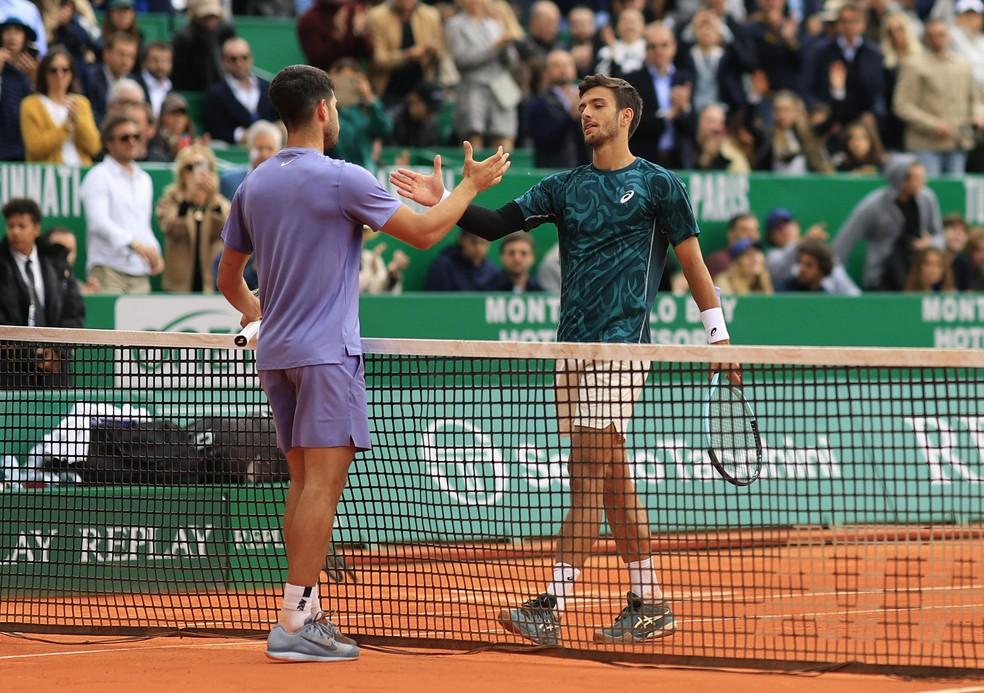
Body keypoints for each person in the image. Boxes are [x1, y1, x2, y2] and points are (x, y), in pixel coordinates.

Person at [391, 73, 736, 646]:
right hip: (569, 349)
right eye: (582, 106)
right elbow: (499, 226)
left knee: (584, 475)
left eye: (598, 105)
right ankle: (649, 600)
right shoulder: (564, 187)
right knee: (611, 479)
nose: (586, 114)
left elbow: (694, 265)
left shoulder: (658, 185)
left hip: (621, 347)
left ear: (627, 116)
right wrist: (449, 201)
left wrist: (718, 339)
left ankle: (552, 602)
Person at [215, 64, 510, 662]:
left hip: (277, 357)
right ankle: (295, 620)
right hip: (327, 357)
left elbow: (228, 278)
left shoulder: (254, 184)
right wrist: (470, 186)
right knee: (322, 485)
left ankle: (304, 608)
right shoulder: (345, 178)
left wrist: (258, 314)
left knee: (302, 483)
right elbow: (426, 232)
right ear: (324, 110)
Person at [79, 113, 163, 293]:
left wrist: (155, 251)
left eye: (136, 136)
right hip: (108, 269)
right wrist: (134, 244)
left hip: (139, 271)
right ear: (109, 143)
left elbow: (143, 225)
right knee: (105, 322)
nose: (131, 141)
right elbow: (98, 222)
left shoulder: (144, 179)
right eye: (124, 138)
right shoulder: (98, 176)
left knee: (141, 322)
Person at [832, 155, 942, 291]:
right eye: (916, 178)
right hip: (882, 276)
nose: (923, 182)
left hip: (917, 275)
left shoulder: (928, 199)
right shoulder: (873, 205)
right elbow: (844, 242)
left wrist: (930, 243)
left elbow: (939, 236)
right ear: (901, 180)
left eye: (922, 177)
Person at [893, 18, 981, 176]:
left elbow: (975, 99)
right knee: (930, 191)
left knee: (954, 195)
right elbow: (902, 105)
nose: (936, 39)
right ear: (925, 38)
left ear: (949, 37)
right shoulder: (914, 65)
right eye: (931, 35)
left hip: (957, 141)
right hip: (925, 144)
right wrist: (933, 125)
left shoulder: (962, 65)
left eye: (941, 34)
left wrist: (978, 116)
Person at [445, 0, 519, 151]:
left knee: (503, 134)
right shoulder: (455, 25)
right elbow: (462, 60)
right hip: (473, 86)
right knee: (473, 135)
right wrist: (495, 47)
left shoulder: (494, 25)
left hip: (500, 85)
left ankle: (504, 173)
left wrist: (506, 47)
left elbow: (512, 62)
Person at [156, 145, 230, 293]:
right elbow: (170, 228)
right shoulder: (170, 199)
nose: (196, 173)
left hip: (212, 285)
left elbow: (226, 232)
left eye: (201, 166)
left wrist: (211, 200)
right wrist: (187, 201)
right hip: (179, 286)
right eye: (190, 167)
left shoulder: (219, 203)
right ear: (182, 173)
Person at [0, 197, 84, 327]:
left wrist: (57, 346)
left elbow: (74, 312)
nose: (15, 232)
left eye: (22, 226)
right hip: (11, 345)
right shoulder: (3, 263)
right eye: (11, 226)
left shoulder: (57, 262)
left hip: (53, 345)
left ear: (36, 229)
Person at [622, 22, 696, 169]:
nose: (658, 51)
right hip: (644, 159)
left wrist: (684, 108)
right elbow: (629, 125)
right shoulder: (632, 81)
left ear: (674, 47)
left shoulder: (685, 78)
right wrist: (668, 115)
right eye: (652, 46)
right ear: (645, 50)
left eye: (664, 45)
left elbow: (694, 126)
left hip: (679, 159)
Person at [20, 47, 101, 165]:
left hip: (80, 174)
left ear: (72, 74)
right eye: (53, 70)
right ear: (44, 73)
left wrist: (77, 121)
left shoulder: (82, 103)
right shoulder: (30, 105)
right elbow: (34, 149)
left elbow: (94, 147)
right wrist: (65, 128)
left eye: (65, 70)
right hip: (48, 177)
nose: (59, 75)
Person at [366, 0, 445, 109]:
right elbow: (377, 59)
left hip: (423, 91)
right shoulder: (377, 16)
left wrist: (434, 51)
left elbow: (442, 54)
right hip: (388, 90)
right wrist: (408, 55)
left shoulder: (430, 14)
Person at [763, 207, 860, 294]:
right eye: (778, 227)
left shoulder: (825, 289)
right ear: (770, 235)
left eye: (788, 223)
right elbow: (780, 268)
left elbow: (850, 290)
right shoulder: (772, 255)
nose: (785, 229)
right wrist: (805, 241)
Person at [204, 37, 278, 145]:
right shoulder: (215, 93)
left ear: (251, 58)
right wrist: (242, 135)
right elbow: (217, 128)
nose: (239, 63)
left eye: (244, 57)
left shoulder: (268, 87)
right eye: (233, 59)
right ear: (223, 62)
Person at [525, 49, 589, 169]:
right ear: (546, 72)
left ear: (574, 69)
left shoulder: (587, 96)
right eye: (556, 66)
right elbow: (542, 139)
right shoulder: (538, 103)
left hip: (586, 168)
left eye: (567, 64)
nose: (563, 69)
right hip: (554, 169)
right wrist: (570, 117)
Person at [326, 58, 391, 171]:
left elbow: (385, 128)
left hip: (364, 172)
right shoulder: (325, 110)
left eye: (352, 80)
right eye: (341, 80)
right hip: (332, 173)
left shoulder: (368, 111)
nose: (346, 86)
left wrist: (370, 98)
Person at [170, 0, 237, 92]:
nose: (211, 20)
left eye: (214, 16)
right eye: (206, 17)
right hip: (193, 88)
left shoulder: (226, 32)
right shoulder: (185, 37)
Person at [297, 0, 373, 73]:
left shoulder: (353, 11)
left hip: (353, 74)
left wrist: (359, 32)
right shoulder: (308, 19)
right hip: (323, 78)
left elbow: (368, 54)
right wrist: (338, 35)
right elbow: (318, 61)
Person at [80, 31, 139, 123]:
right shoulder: (89, 77)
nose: (126, 61)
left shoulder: (134, 82)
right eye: (121, 54)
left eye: (131, 56)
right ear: (106, 54)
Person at [220, 119, 283, 200]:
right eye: (259, 148)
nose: (264, 154)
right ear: (249, 148)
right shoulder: (229, 182)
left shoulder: (286, 183)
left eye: (270, 149)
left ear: (279, 151)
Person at [424, 229, 499, 290]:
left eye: (483, 242)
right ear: (461, 239)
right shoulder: (443, 266)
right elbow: (436, 302)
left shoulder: (492, 270)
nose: (478, 248)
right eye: (473, 241)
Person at [0, 22, 33, 161]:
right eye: (7, 31)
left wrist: (37, 80)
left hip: (25, 151)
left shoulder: (35, 70)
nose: (12, 36)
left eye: (17, 31)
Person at [42, 226, 101, 294]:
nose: (66, 256)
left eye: (70, 251)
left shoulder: (77, 286)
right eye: (60, 250)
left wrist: (88, 294)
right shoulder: (37, 282)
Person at [359, 225, 409, 293]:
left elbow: (382, 283)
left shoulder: (370, 256)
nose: (361, 238)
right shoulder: (341, 259)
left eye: (364, 233)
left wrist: (392, 273)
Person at [134, 40, 173, 118]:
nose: (160, 65)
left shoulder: (171, 88)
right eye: (155, 60)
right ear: (144, 62)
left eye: (165, 61)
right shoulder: (133, 84)